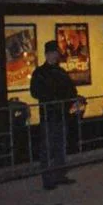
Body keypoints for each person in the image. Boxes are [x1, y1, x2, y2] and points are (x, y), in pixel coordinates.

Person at [30, 40, 78, 190]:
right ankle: (48, 178)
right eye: (53, 53)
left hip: (60, 113)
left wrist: (71, 100)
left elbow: (71, 89)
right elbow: (35, 92)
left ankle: (59, 175)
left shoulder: (60, 72)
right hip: (49, 114)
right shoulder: (40, 73)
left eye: (56, 53)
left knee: (60, 146)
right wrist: (53, 97)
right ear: (47, 54)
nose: (55, 55)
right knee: (48, 147)